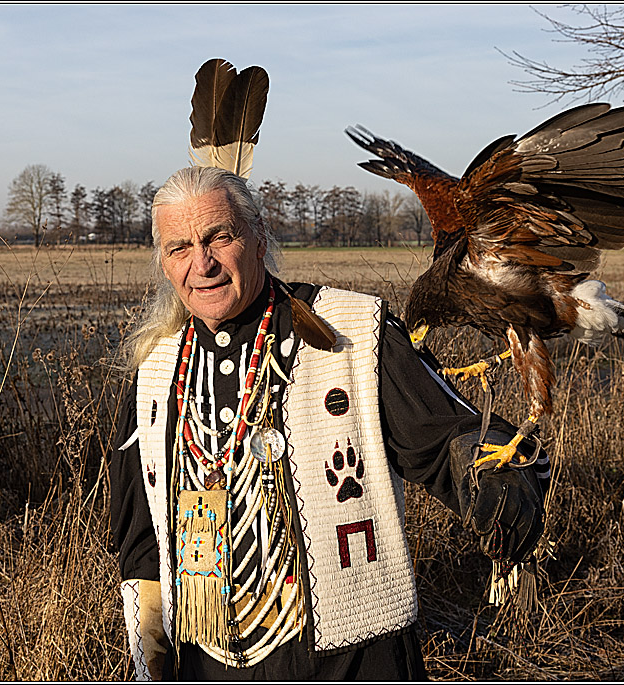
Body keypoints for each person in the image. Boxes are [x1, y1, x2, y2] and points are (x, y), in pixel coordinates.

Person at [109, 165, 547, 680]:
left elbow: (449, 433)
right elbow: (143, 546)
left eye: (219, 237)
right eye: (179, 248)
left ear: (259, 238)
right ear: (163, 263)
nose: (201, 264)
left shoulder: (353, 333)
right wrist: (151, 664)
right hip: (210, 664)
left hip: (352, 660)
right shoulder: (155, 373)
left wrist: (493, 472)